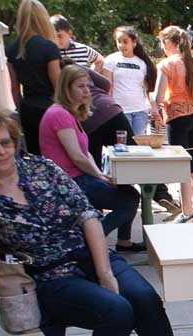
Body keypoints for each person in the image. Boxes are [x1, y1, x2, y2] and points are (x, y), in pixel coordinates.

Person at [0, 109, 193, 336]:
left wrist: (104, 272)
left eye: (5, 143)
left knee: (144, 298)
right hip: (50, 276)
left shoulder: (42, 169)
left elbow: (88, 215)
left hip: (92, 254)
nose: (1, 151)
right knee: (115, 310)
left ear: (15, 142)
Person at [39, 65, 144, 253]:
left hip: (76, 177)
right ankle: (90, 243)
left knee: (128, 192)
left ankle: (122, 241)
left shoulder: (69, 113)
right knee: (129, 199)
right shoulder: (59, 114)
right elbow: (77, 157)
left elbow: (85, 152)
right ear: (66, 88)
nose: (87, 91)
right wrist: (100, 176)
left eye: (88, 86)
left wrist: (100, 175)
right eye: (81, 86)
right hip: (68, 182)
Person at [153, 26, 193, 222]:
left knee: (182, 165)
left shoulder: (167, 65)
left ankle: (186, 211)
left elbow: (159, 97)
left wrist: (156, 99)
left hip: (176, 117)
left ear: (168, 43)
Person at [6, 0, 61, 156]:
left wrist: (19, 115)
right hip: (50, 108)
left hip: (27, 109)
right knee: (55, 157)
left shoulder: (12, 49)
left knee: (34, 157)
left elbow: (14, 89)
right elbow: (58, 85)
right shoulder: (49, 47)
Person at [100, 26, 156, 137]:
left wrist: (154, 110)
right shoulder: (111, 60)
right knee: (124, 143)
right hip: (120, 110)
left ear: (134, 42)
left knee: (139, 143)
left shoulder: (142, 63)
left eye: (125, 42)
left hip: (140, 111)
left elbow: (148, 89)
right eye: (119, 41)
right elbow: (107, 87)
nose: (121, 45)